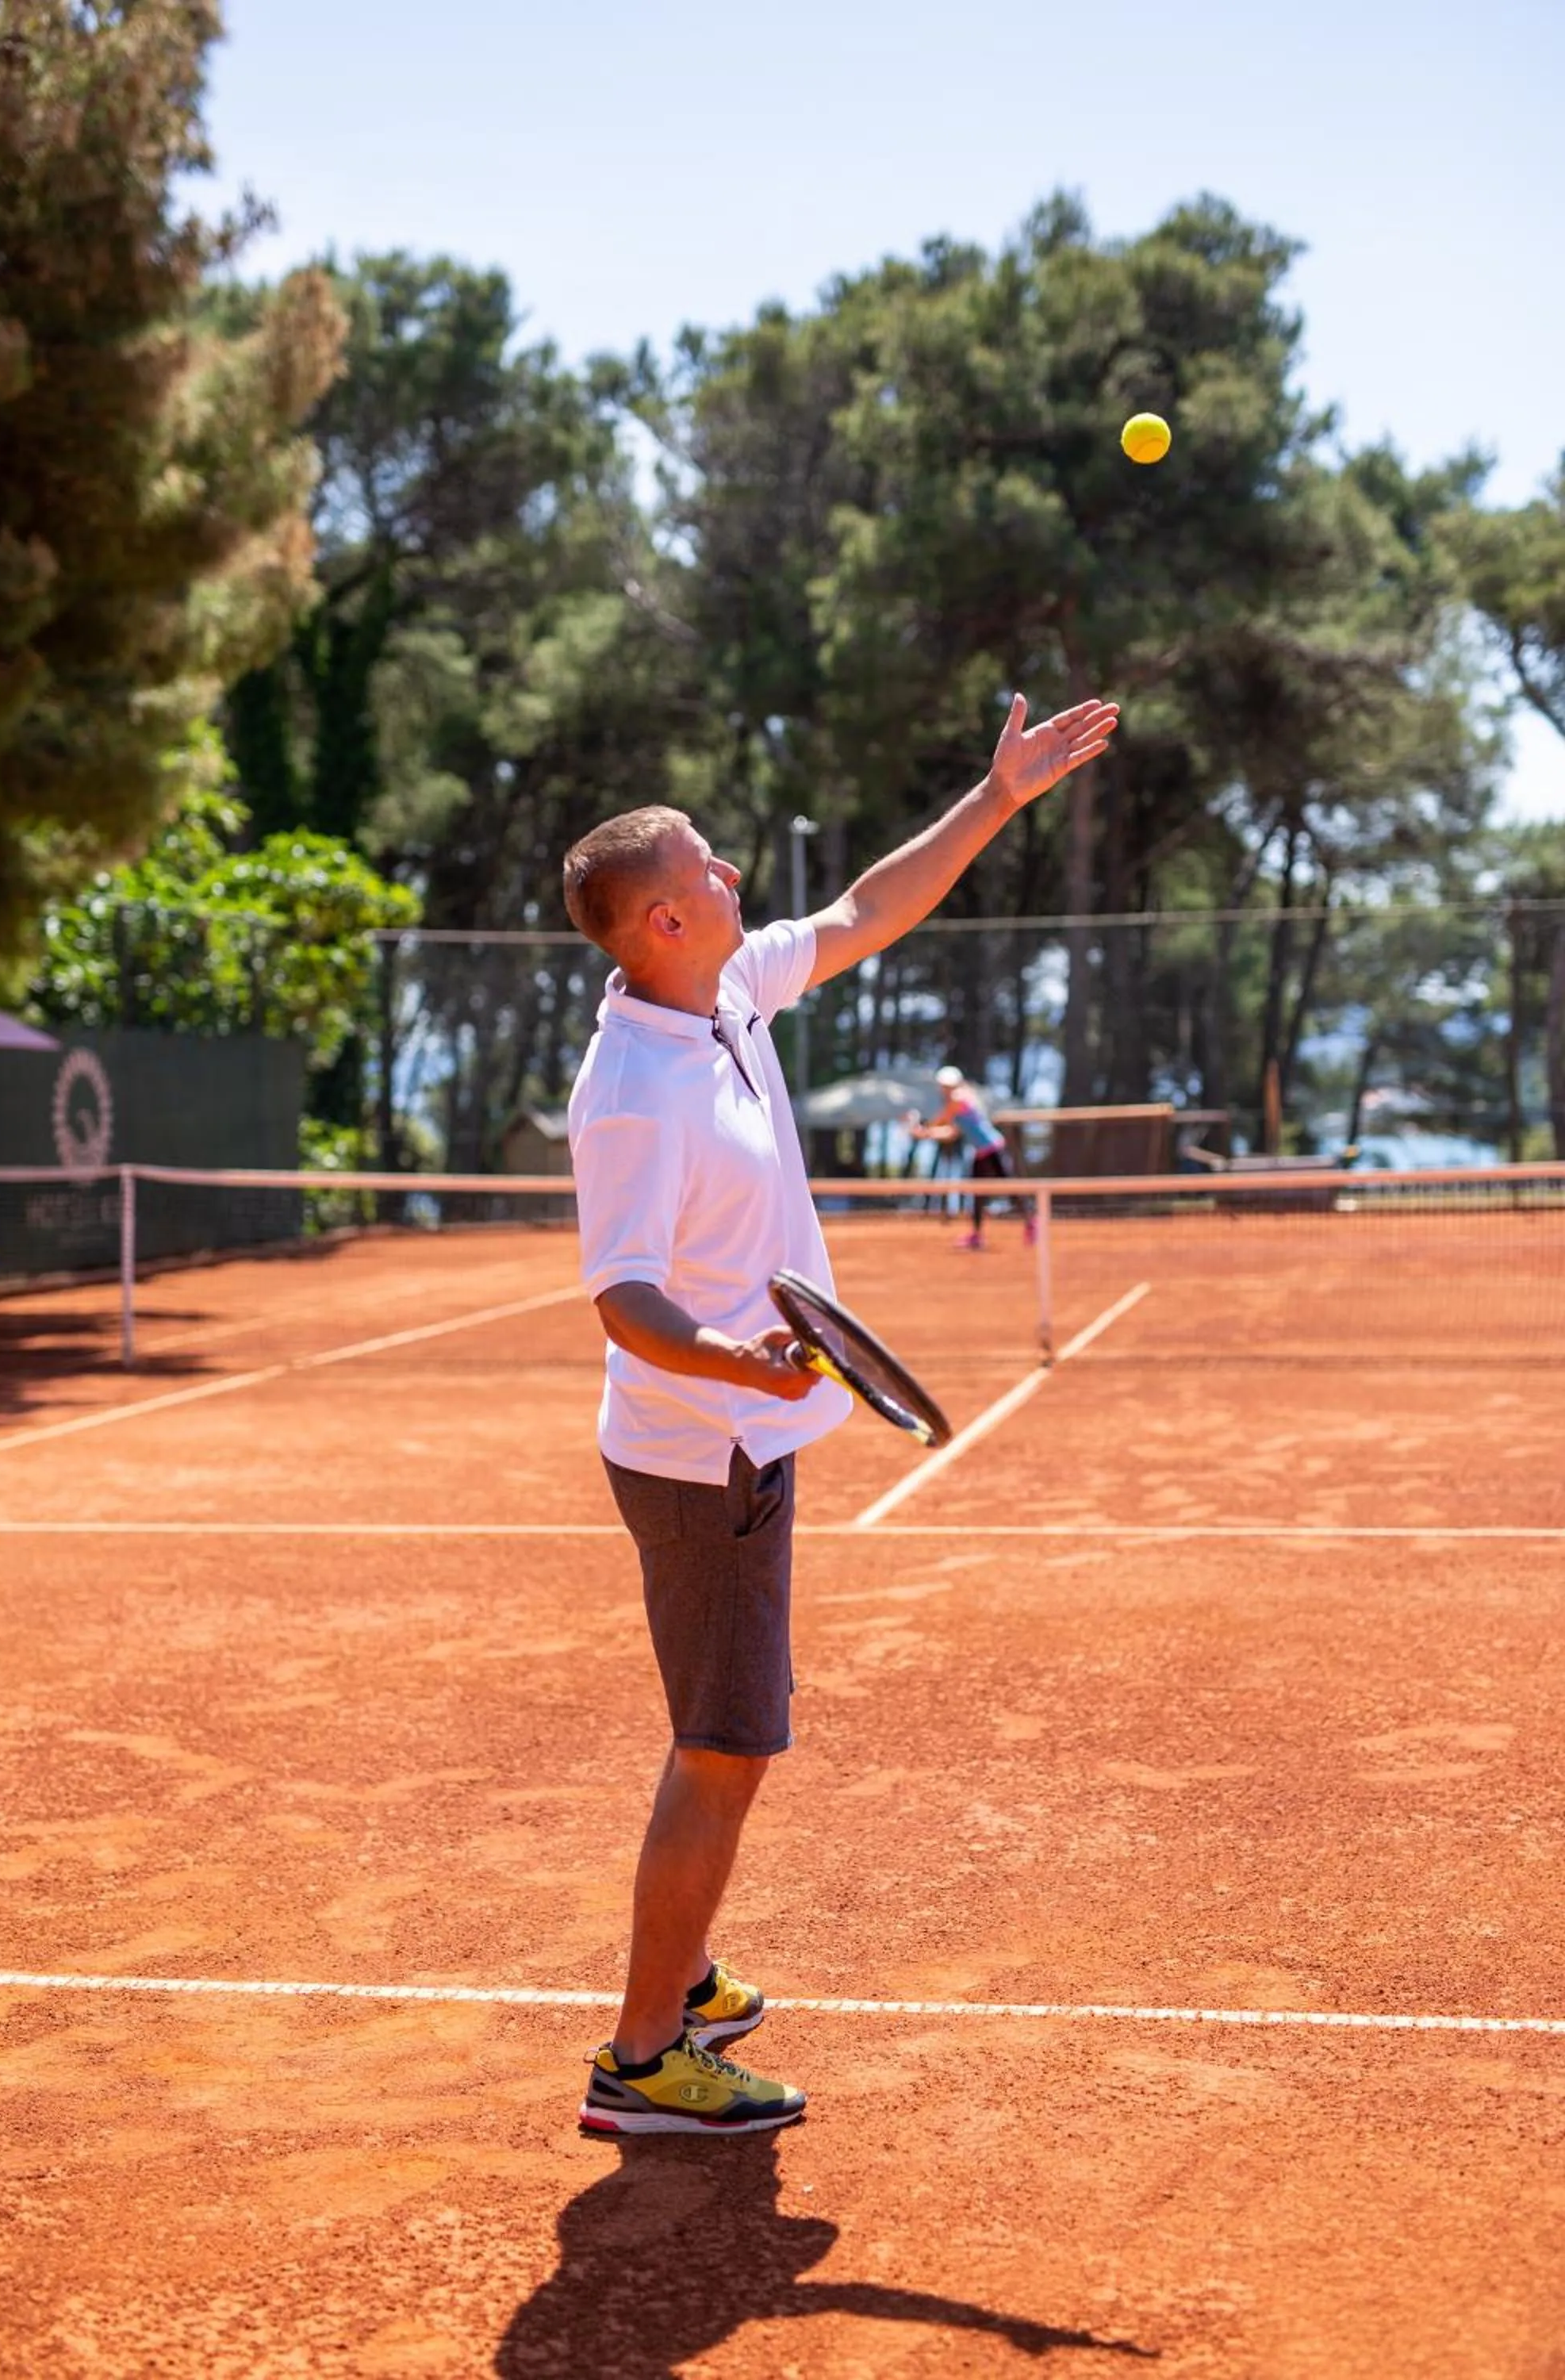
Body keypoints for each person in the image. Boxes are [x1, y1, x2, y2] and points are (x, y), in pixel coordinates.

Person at [562, 689, 1118, 2136]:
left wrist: (995, 799)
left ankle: (677, 1987)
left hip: (742, 1434)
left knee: (721, 1729)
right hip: (705, 1453)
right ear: (659, 924)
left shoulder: (727, 992)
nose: (735, 875)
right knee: (727, 1746)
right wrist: (743, 1368)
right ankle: (642, 2061)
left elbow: (872, 908)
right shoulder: (632, 1086)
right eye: (708, 870)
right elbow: (623, 1299)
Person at [908, 1066, 1034, 1251]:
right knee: (977, 1195)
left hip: (993, 1149)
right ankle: (976, 1235)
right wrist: (927, 1135)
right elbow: (951, 1133)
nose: (945, 1088)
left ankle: (1031, 1222)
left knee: (1010, 1189)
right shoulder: (956, 1105)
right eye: (944, 1085)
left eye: (948, 1085)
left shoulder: (960, 1098)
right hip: (981, 1153)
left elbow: (943, 1119)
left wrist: (924, 1128)